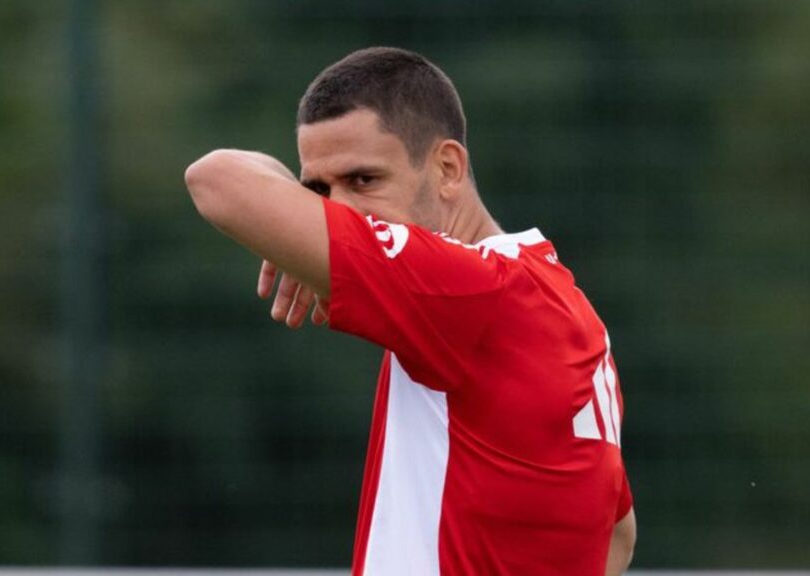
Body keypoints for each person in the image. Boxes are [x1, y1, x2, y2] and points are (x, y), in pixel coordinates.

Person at [186, 46, 636, 576]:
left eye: (364, 181)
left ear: (447, 169)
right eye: (317, 191)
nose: (338, 211)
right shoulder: (558, 299)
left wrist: (294, 225)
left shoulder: (463, 287)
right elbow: (616, 534)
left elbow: (214, 178)